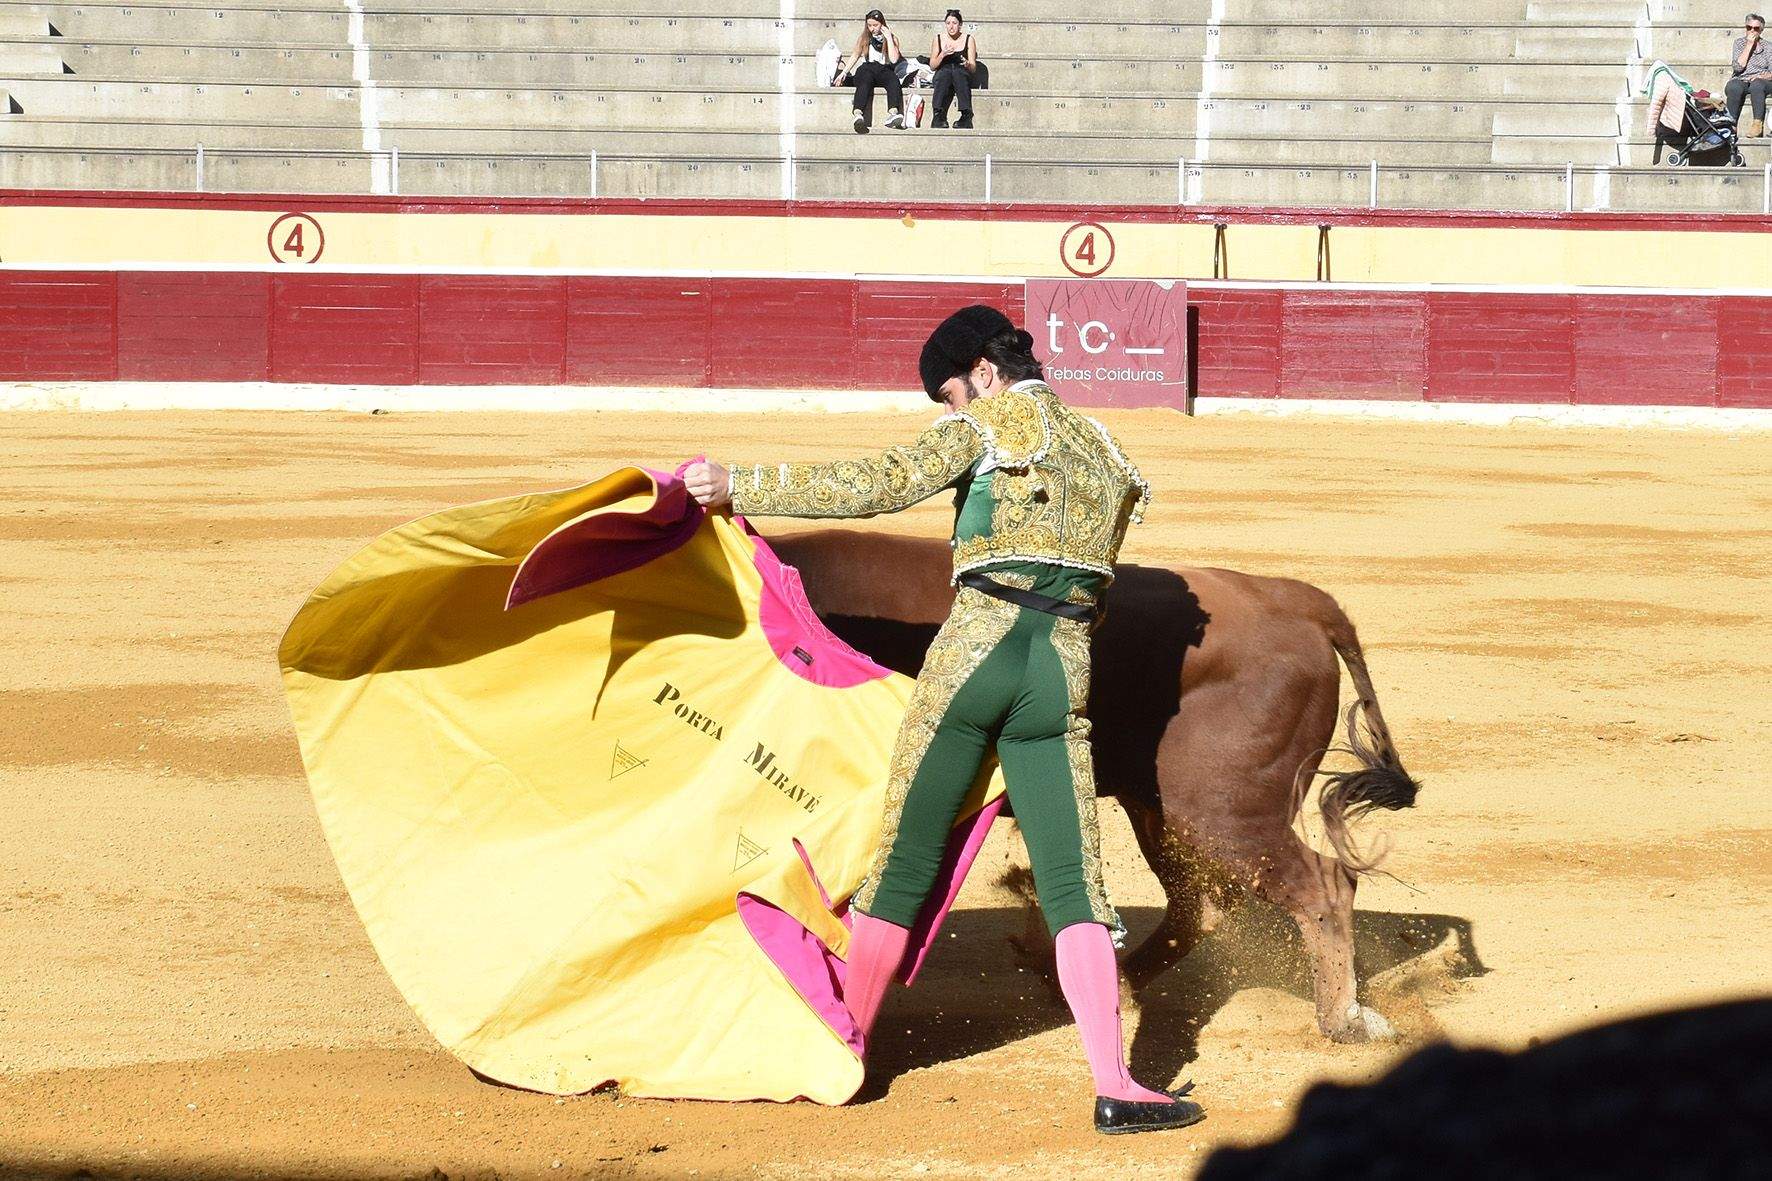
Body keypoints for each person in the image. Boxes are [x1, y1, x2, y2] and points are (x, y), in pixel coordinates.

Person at [682, 307, 1204, 1136]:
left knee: (905, 860)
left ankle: (841, 1052)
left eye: (953, 394)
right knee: (1077, 885)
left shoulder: (988, 426)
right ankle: (1115, 1083)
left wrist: (738, 483)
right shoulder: (1107, 452)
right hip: (1060, 672)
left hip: (975, 658)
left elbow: (873, 485)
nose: (953, 412)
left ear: (985, 375)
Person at [846, 9, 907, 133]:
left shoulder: (892, 38)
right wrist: (844, 72)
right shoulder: (864, 38)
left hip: (884, 69)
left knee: (893, 81)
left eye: (875, 25)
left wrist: (888, 37)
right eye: (869, 25)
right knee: (865, 82)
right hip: (867, 68)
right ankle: (858, 113)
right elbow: (855, 55)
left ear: (882, 24)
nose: (872, 28)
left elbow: (894, 59)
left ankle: (893, 113)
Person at [930, 9, 978, 129]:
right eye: (948, 23)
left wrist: (967, 64)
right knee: (944, 73)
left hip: (961, 71)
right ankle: (938, 115)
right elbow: (932, 65)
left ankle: (966, 116)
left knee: (958, 73)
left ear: (960, 24)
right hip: (943, 72)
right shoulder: (938, 39)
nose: (951, 27)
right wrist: (942, 54)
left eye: (954, 23)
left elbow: (973, 68)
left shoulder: (969, 39)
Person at [1726, 12, 1772, 137]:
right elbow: (1738, 67)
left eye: (1756, 28)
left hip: (1762, 80)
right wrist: (1749, 45)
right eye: (1748, 28)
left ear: (1761, 30)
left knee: (1757, 85)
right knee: (1733, 87)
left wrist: (1762, 76)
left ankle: (1757, 124)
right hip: (1742, 78)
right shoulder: (1739, 43)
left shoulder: (1768, 47)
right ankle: (1730, 126)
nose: (1752, 31)